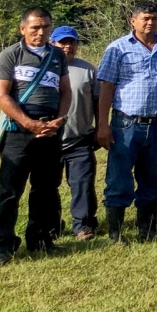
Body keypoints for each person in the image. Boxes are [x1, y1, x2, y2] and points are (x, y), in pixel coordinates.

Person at [96, 1, 157, 244]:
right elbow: (107, 87)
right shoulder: (118, 48)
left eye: (154, 18)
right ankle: (117, 233)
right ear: (133, 21)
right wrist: (103, 124)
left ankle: (148, 229)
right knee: (119, 178)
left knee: (154, 178)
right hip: (125, 124)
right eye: (145, 18)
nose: (150, 22)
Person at [0, 8, 71, 264]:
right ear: (22, 28)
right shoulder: (10, 55)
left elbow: (66, 91)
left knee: (46, 189)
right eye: (35, 27)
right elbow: (1, 96)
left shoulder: (57, 55)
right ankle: (4, 246)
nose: (41, 32)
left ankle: (40, 240)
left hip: (50, 130)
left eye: (46, 27)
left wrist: (60, 119)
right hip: (19, 131)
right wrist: (29, 123)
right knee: (10, 191)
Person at [51, 26, 100, 240]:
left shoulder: (88, 70)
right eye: (62, 42)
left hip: (79, 138)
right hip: (50, 139)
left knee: (82, 184)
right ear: (52, 44)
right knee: (47, 186)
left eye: (72, 42)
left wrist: (101, 127)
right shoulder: (45, 68)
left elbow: (98, 101)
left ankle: (82, 226)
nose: (67, 46)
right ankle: (52, 225)